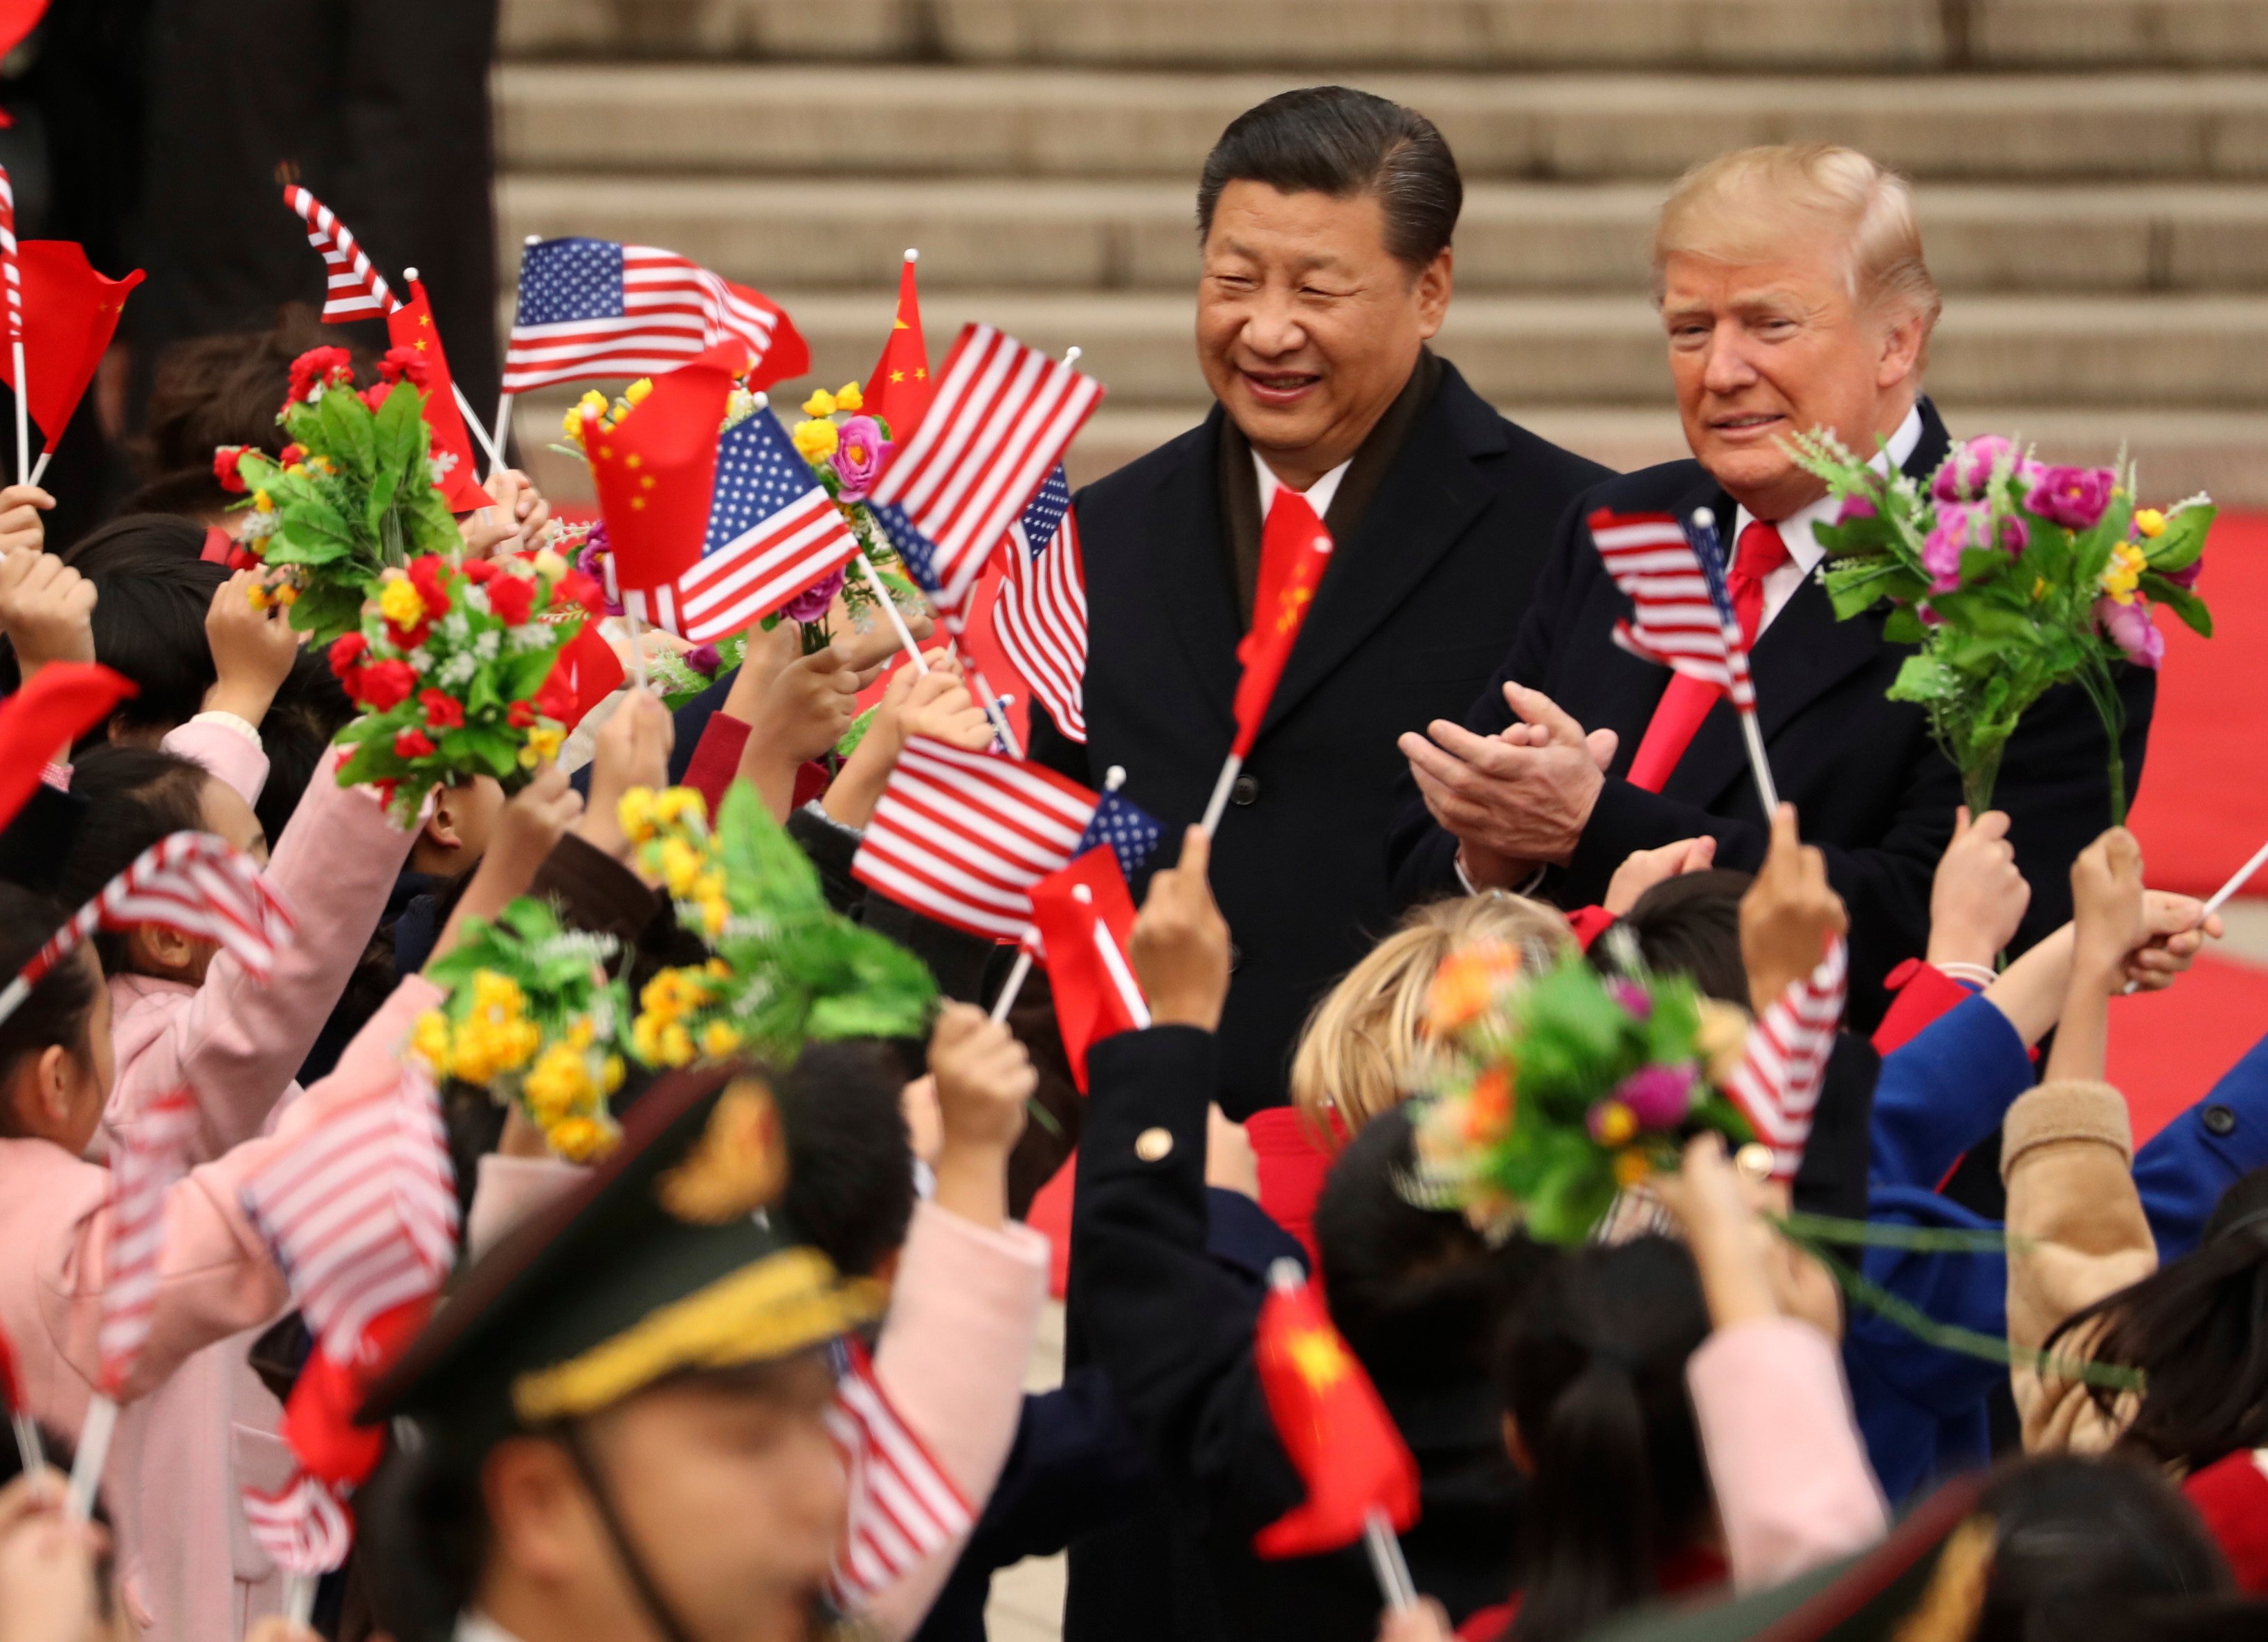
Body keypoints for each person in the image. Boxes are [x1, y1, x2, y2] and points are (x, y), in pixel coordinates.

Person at [1387, 143, 2155, 1027]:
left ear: (1897, 341)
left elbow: (1958, 934)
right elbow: (1416, 849)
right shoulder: (1621, 526)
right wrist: (1491, 855)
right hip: (1545, 1111)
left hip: (1839, 1137)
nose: (1720, 371)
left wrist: (1589, 826)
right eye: (1690, 330)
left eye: (1770, 324)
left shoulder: (2036, 582)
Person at [1028, 85, 1611, 1120]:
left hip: (1426, 1145)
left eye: (1317, 291)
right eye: (1233, 281)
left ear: (1429, 290)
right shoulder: (1095, 532)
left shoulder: (1570, 530)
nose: (1266, 330)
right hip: (1132, 1127)